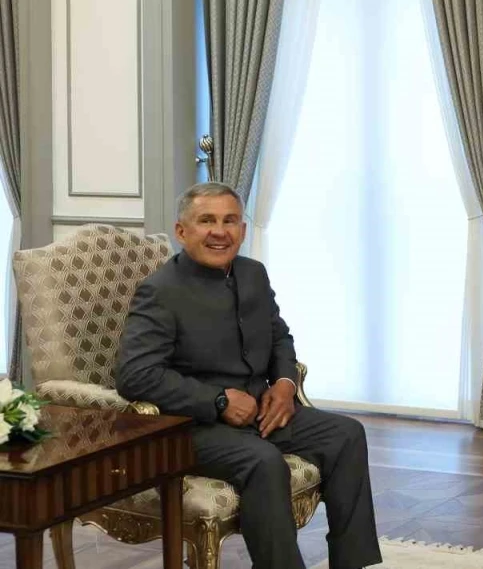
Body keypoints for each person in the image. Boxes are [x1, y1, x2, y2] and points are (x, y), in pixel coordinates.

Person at [116, 182, 382, 569]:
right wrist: (218, 400)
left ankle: (352, 563)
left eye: (230, 221)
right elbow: (135, 375)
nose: (219, 232)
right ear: (181, 231)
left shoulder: (253, 273)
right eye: (207, 221)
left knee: (346, 434)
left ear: (242, 230)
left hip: (262, 413)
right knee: (263, 461)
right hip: (192, 428)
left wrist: (285, 385)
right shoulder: (159, 291)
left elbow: (279, 337)